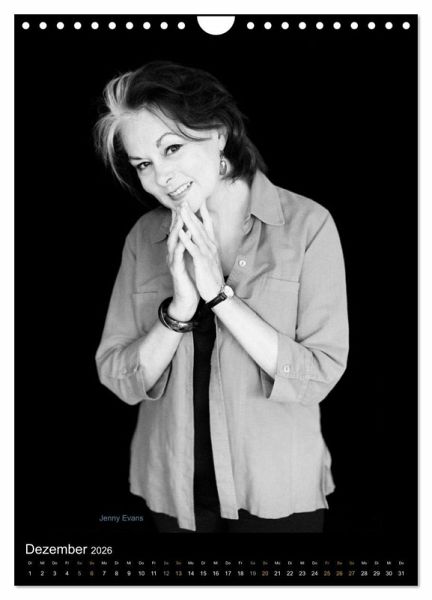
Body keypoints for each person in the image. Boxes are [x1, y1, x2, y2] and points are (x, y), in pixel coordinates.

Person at [94, 61, 349, 533]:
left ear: (218, 132)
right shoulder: (144, 237)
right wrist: (180, 309)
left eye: (172, 148)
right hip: (172, 492)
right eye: (143, 164)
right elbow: (118, 377)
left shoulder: (308, 226)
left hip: (276, 491)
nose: (160, 176)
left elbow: (318, 375)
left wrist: (218, 296)